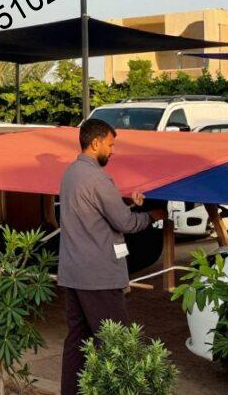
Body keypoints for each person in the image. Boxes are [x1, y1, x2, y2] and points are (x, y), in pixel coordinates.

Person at [58, 118, 165, 395]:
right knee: (115, 344)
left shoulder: (70, 174)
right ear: (95, 143)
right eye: (110, 144)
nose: (112, 150)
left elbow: (97, 215)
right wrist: (152, 215)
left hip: (73, 274)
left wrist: (129, 206)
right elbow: (125, 224)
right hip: (99, 278)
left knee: (77, 342)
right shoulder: (98, 177)